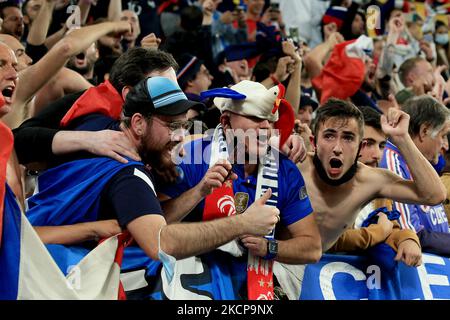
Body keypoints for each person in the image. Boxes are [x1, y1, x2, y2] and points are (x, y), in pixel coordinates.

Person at [25, 76, 280, 264]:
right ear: (137, 123)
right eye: (172, 125)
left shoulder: (95, 129)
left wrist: (199, 191)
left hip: (26, 247)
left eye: (186, 125)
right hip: (42, 273)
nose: (182, 136)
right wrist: (242, 223)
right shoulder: (129, 176)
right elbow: (162, 243)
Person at [158, 80, 322, 299]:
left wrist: (269, 247)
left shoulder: (285, 170)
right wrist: (199, 192)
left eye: (269, 120)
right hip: (191, 284)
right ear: (226, 122)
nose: (265, 127)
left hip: (251, 285)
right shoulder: (191, 157)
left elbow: (312, 247)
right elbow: (155, 229)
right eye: (255, 118)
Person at [295, 98, 445, 253]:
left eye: (348, 138)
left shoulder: (371, 181)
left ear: (360, 146)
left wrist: (402, 138)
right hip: (279, 264)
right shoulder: (294, 166)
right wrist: (376, 233)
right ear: (314, 142)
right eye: (329, 136)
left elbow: (434, 195)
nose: (337, 148)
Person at [328, 106, 422, 267]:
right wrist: (378, 232)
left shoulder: (378, 184)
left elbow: (392, 228)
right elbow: (329, 239)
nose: (377, 154)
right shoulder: (326, 179)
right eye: (368, 143)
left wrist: (408, 239)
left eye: (381, 145)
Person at [380, 95, 450, 256]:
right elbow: (410, 233)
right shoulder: (393, 161)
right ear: (424, 131)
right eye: (443, 135)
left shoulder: (423, 163)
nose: (445, 144)